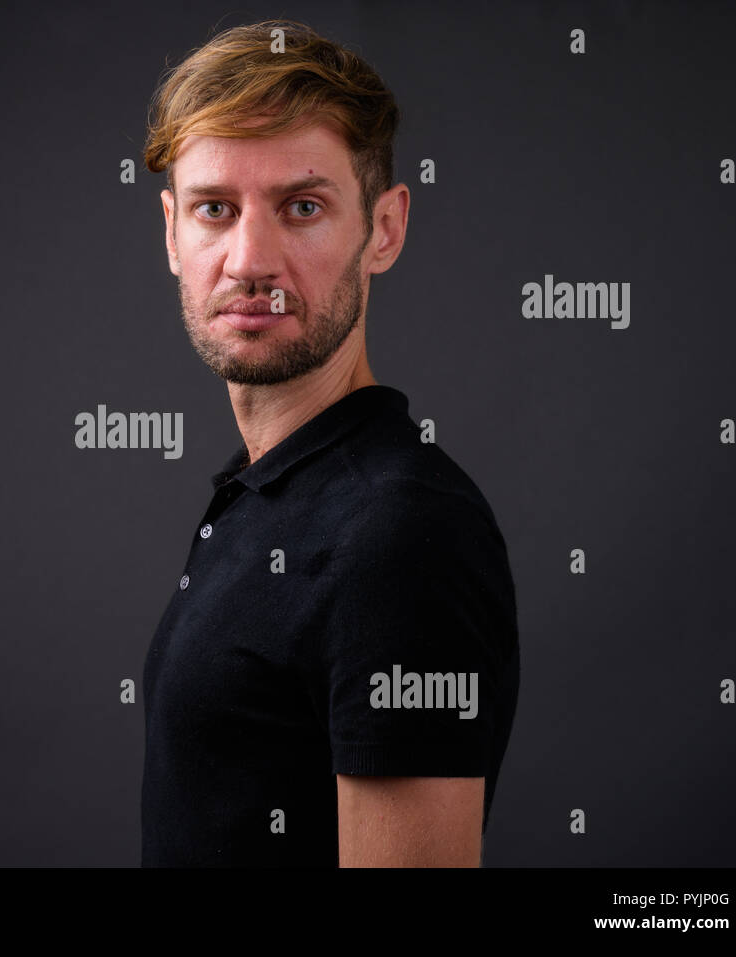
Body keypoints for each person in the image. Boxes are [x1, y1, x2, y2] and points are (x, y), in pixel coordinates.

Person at [139, 19, 521, 867]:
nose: (250, 259)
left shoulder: (401, 532)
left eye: (302, 207)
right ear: (173, 232)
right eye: (215, 209)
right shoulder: (267, 491)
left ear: (383, 229)